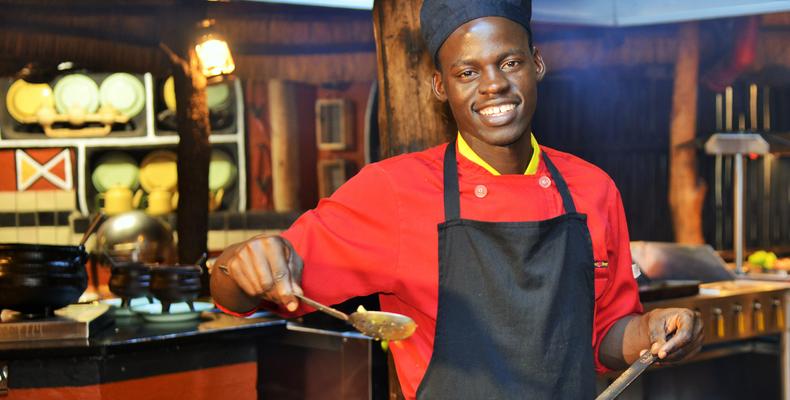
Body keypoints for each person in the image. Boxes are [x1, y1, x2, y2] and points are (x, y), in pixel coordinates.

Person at [211, 0, 704, 398]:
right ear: (439, 86)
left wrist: (656, 329)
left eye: (509, 62)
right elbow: (235, 292)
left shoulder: (593, 189)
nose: (493, 85)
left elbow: (606, 335)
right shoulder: (393, 193)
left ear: (536, 64)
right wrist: (242, 263)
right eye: (467, 72)